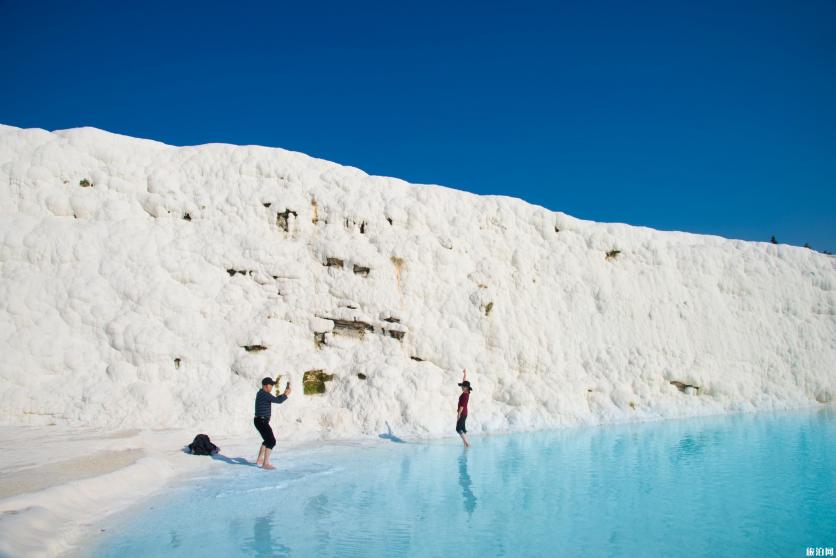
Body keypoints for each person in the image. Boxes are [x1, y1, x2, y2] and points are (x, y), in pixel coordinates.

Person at [254, 377, 291, 470]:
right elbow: (278, 401)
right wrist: (286, 395)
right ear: (266, 386)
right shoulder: (264, 394)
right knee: (271, 441)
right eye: (271, 385)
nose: (272, 387)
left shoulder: (262, 393)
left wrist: (284, 394)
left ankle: (259, 460)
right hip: (261, 421)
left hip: (260, 421)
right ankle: (265, 463)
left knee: (267, 440)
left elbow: (274, 399)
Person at [456, 369, 472, 448]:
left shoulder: (465, 395)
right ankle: (466, 443)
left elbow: (462, 406)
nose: (461, 387)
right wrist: (465, 374)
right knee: (462, 428)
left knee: (458, 429)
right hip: (464, 413)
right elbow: (464, 381)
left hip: (462, 413)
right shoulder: (467, 392)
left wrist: (458, 414)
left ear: (466, 388)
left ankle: (467, 444)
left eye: (463, 386)